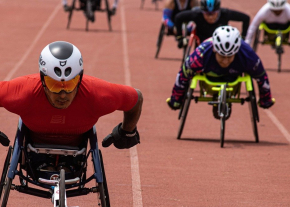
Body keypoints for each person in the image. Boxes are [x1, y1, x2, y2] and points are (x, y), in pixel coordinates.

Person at [0, 41, 142, 152]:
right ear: (42, 80)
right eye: (54, 85)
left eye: (70, 85)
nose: (63, 94)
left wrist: (127, 131)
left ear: (80, 79)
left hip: (77, 146)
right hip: (33, 143)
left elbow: (136, 99)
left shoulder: (97, 94)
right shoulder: (24, 92)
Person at [166, 25, 275, 115]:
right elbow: (183, 74)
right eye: (222, 56)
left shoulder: (248, 55)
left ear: (236, 52)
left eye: (230, 56)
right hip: (209, 79)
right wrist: (176, 99)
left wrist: (266, 100)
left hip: (233, 80)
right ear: (214, 50)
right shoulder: (200, 55)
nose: (225, 61)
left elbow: (261, 76)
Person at [174, 0, 250, 49]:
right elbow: (178, 17)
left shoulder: (225, 14)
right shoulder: (197, 14)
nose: (210, 17)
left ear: (218, 11)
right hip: (201, 46)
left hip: (223, 45)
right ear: (202, 11)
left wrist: (243, 38)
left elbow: (246, 18)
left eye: (213, 14)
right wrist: (180, 37)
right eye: (207, 14)